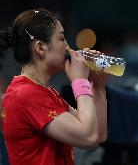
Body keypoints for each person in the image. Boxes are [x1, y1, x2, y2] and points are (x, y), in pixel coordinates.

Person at [0, 9, 108, 165]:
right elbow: (88, 136)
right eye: (62, 39)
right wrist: (79, 81)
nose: (68, 47)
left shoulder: (44, 92)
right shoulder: (25, 95)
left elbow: (97, 135)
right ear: (40, 48)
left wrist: (97, 85)